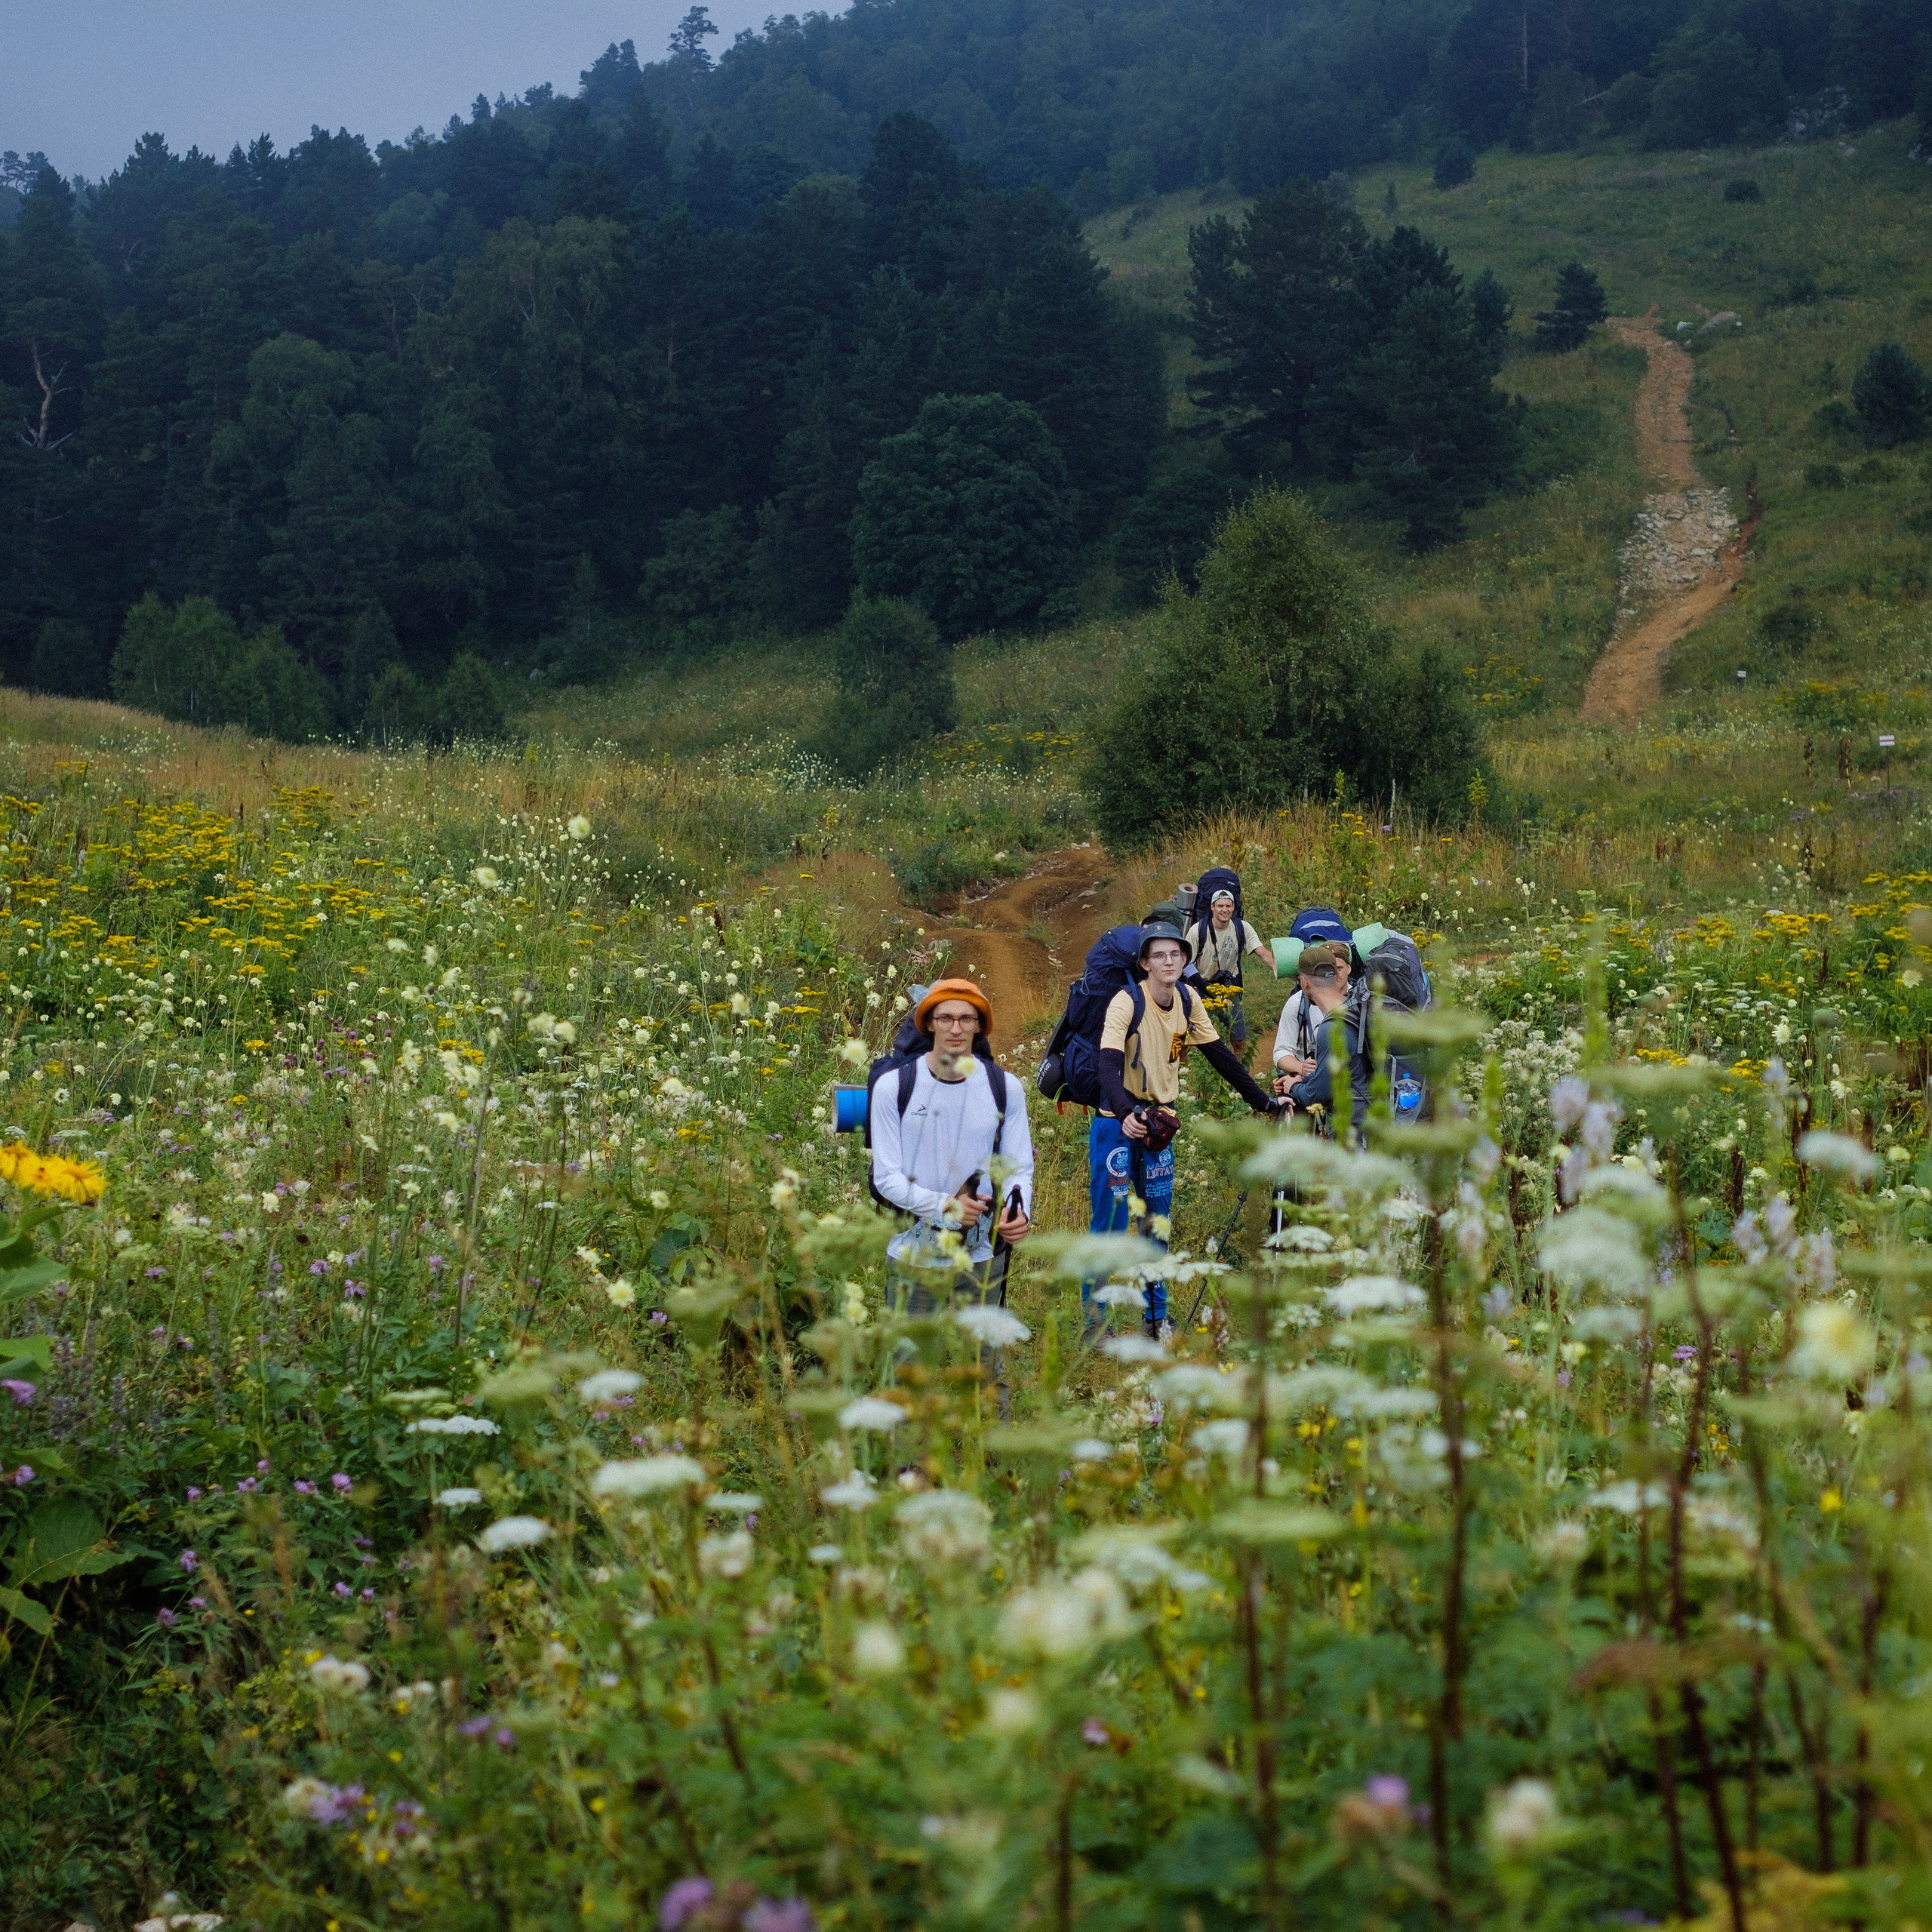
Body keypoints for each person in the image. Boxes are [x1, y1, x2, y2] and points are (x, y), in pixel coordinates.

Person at [1088, 921, 1281, 1340]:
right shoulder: (1125, 1002)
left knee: (1157, 1224)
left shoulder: (1188, 998)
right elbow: (1106, 1063)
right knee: (1110, 1222)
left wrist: (1260, 1100)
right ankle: (1095, 1322)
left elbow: (1219, 1056)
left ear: (1185, 958)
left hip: (1160, 1125)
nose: (1169, 960)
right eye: (1159, 955)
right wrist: (1125, 1112)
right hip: (1114, 1125)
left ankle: (1156, 1318)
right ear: (1144, 963)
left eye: (1175, 953)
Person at [868, 977, 1032, 1357]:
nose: (955, 1028)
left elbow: (1019, 1167)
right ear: (928, 1023)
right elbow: (886, 1177)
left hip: (981, 1255)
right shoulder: (894, 1087)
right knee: (908, 1372)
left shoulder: (1005, 1087)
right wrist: (946, 1207)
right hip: (914, 1254)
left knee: (983, 1373)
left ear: (980, 1025)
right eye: (945, 1018)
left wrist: (1018, 1209)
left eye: (966, 1018)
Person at [1278, 942, 1371, 1139]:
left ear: (1304, 983)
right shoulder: (1357, 1008)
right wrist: (1303, 1078)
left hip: (1351, 1126)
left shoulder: (1331, 1027)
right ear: (1337, 975)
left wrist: (1294, 1087)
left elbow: (1319, 1093)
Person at [1187, 888, 1271, 1048]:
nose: (1225, 910)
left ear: (1233, 907)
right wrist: (1205, 988)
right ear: (1212, 907)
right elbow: (1185, 964)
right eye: (1220, 906)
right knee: (1199, 1041)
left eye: (1228, 906)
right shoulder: (1197, 931)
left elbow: (1263, 953)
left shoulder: (1242, 928)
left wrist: (1280, 968)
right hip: (1202, 988)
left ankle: (1238, 1071)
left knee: (1239, 1040)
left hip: (1229, 989)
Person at [1272, 943, 1351, 1086]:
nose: (1334, 976)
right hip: (1312, 1085)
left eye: (1338, 969)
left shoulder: (1359, 1001)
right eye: (1326, 971)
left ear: (1349, 969)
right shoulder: (1297, 1003)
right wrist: (1301, 1067)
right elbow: (1281, 1051)